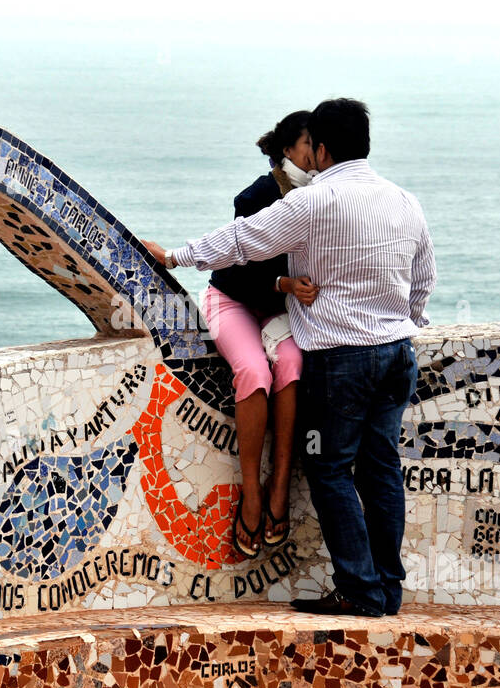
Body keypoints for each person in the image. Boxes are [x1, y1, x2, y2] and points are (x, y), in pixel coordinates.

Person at [144, 98, 435, 617]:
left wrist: (172, 256)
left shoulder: (313, 201)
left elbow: (243, 240)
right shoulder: (404, 201)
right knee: (381, 471)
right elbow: (424, 281)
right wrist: (404, 321)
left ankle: (362, 593)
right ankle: (388, 589)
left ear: (321, 149)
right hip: (397, 354)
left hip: (342, 361)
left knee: (328, 470)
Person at [148, 111, 320, 557]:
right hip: (234, 300)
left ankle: (279, 483)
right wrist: (283, 285)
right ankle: (252, 491)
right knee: (253, 371)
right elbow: (236, 271)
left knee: (292, 365)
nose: (316, 154)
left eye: (319, 146)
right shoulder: (258, 196)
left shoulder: (325, 196)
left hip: (278, 310)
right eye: (308, 145)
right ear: (287, 150)